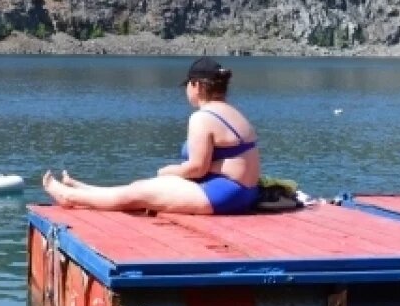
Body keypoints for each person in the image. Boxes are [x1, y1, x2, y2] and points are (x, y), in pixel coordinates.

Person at [42, 57, 261, 214]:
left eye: (188, 85)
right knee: (142, 187)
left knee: (143, 192)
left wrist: (168, 170)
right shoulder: (234, 113)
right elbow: (226, 161)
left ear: (197, 86)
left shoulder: (202, 118)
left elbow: (197, 168)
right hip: (246, 193)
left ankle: (70, 196)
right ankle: (87, 190)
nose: (186, 91)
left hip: (224, 196)